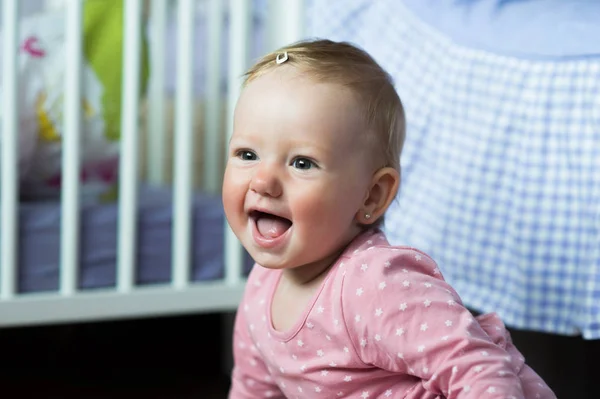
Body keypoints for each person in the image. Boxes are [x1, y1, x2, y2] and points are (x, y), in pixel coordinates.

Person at [223, 39, 555, 398]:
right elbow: (254, 389)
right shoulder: (261, 286)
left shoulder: (376, 286)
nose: (263, 181)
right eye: (247, 154)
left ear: (373, 194)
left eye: (302, 163)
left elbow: (480, 368)